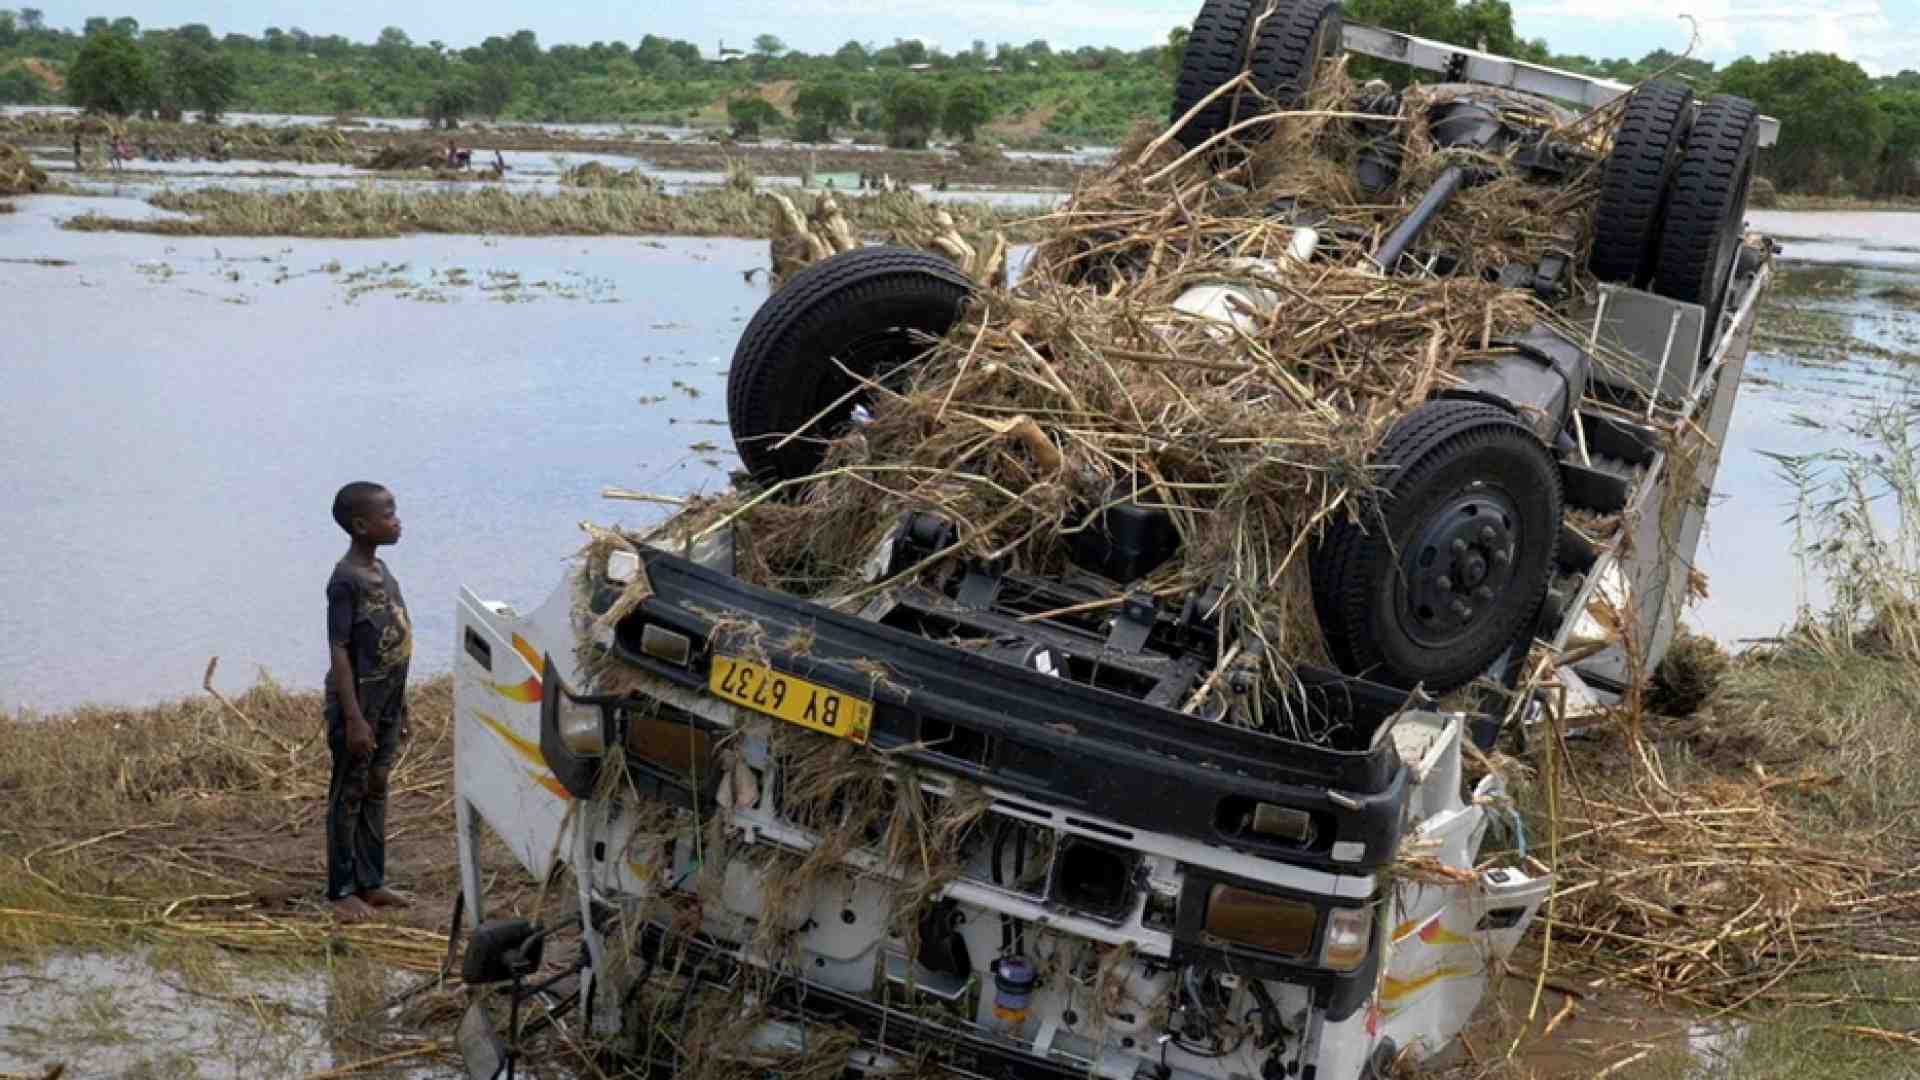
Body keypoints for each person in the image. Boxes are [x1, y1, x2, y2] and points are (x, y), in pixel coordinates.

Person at [324, 482, 414, 923]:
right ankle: (341, 890)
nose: (396, 520)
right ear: (361, 525)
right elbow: (339, 648)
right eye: (388, 513)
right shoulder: (345, 580)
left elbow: (393, 641)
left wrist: (402, 706)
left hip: (387, 702)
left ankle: (371, 880)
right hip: (358, 706)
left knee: (377, 786)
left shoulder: (383, 571)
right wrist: (354, 718)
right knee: (350, 791)